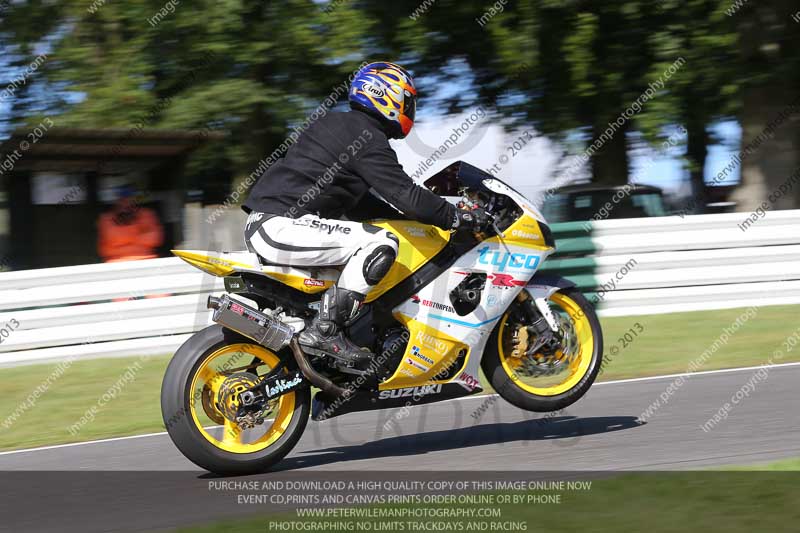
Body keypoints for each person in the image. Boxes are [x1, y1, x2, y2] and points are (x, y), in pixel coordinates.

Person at [242, 61, 486, 364]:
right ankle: (326, 331)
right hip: (282, 226)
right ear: (387, 96)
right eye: (407, 101)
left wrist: (415, 223)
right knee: (381, 243)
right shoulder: (367, 137)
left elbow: (362, 205)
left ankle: (333, 339)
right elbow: (407, 195)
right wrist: (456, 216)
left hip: (274, 224)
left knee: (374, 244)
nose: (410, 109)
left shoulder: (337, 125)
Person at [98, 186, 164, 263]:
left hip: (146, 260)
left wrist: (123, 238)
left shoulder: (147, 214)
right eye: (122, 199)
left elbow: (156, 238)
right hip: (116, 263)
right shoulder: (106, 219)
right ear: (117, 202)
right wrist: (139, 235)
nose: (125, 202)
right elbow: (105, 249)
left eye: (129, 199)